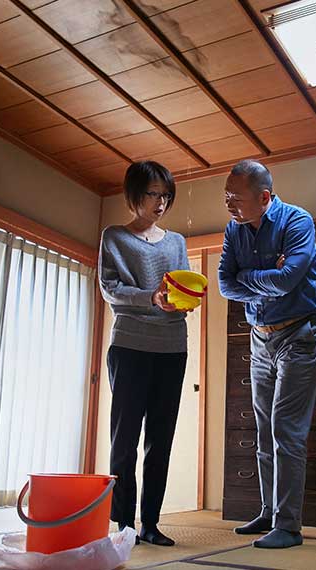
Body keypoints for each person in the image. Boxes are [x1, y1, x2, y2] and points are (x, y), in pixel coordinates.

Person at [218, 160, 316, 549]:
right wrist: (262, 279)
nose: (229, 205)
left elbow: (288, 280)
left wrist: (249, 278)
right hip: (259, 338)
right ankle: (269, 511)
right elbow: (224, 285)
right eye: (226, 196)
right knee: (263, 430)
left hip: (300, 334)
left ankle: (289, 525)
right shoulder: (234, 229)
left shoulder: (298, 222)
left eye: (237, 198)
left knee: (286, 429)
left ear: (264, 197)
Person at [99, 161, 191, 547]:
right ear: (134, 195)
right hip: (131, 346)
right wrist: (151, 297)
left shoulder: (177, 243)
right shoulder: (115, 237)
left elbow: (186, 287)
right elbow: (110, 288)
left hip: (172, 347)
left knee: (161, 440)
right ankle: (122, 524)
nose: (160, 202)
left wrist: (185, 301)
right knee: (124, 440)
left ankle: (150, 523)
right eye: (153, 193)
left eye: (165, 195)